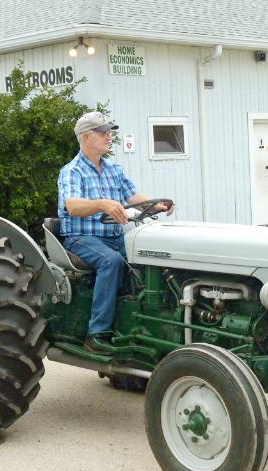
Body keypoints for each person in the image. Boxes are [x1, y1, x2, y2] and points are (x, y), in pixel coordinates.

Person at [58, 111, 173, 355]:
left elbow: (133, 197)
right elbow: (72, 205)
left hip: (115, 236)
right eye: (103, 132)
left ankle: (139, 328)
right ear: (87, 137)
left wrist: (156, 204)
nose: (109, 136)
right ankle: (97, 333)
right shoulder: (72, 171)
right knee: (111, 262)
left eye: (109, 132)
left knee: (149, 260)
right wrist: (102, 204)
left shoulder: (114, 170)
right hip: (82, 238)